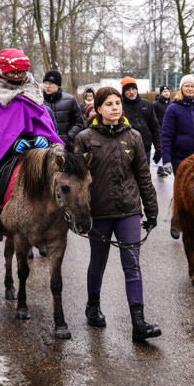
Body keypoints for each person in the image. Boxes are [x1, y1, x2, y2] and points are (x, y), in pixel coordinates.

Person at [74, 86, 161, 342]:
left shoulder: (133, 136)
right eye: (109, 103)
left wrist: (151, 210)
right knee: (97, 264)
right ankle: (92, 307)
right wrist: (80, 214)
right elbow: (77, 180)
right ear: (98, 108)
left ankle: (138, 323)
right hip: (98, 214)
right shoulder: (84, 138)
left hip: (129, 211)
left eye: (118, 103)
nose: (115, 107)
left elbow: (144, 176)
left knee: (132, 265)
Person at [0, 48, 62, 242]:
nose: (17, 76)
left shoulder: (33, 89)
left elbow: (43, 121)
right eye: (13, 72)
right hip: (7, 147)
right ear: (4, 71)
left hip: (37, 144)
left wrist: (46, 139)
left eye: (20, 72)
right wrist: (14, 142)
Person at [160, 74, 194, 175]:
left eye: (193, 86)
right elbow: (166, 135)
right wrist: (166, 160)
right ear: (181, 88)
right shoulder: (173, 109)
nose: (190, 89)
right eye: (186, 86)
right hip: (180, 158)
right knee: (183, 190)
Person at [120, 77, 161, 164]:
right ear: (124, 91)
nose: (131, 92)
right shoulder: (119, 107)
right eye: (128, 89)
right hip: (126, 149)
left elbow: (155, 127)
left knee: (144, 176)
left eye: (133, 88)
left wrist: (158, 147)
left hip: (145, 149)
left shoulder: (147, 105)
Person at [41, 70, 84, 147]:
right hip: (43, 146)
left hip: (66, 146)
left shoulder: (70, 100)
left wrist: (69, 136)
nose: (47, 86)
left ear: (58, 85)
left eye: (50, 83)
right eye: (45, 83)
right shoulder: (38, 101)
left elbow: (79, 122)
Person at [152, 86, 171, 176]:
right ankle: (159, 167)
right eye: (164, 91)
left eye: (168, 91)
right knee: (160, 150)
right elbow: (153, 118)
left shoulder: (171, 104)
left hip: (169, 130)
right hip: (160, 130)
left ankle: (161, 167)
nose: (166, 93)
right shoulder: (155, 104)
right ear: (161, 93)